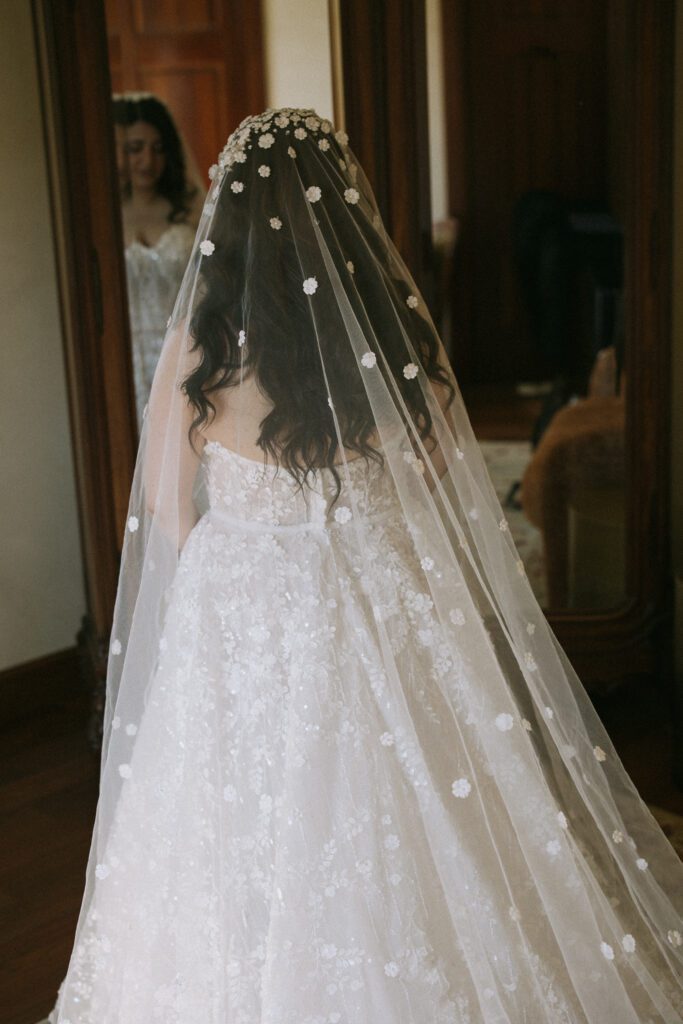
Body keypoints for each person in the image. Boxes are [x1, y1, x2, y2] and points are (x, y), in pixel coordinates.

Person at [47, 108, 682, 1023]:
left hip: (239, 623)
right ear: (347, 222)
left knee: (225, 831)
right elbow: (434, 497)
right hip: (373, 615)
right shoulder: (395, 357)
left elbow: (163, 509)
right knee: (416, 823)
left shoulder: (199, 352)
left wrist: (247, 564)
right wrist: (343, 533)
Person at [113, 92, 204, 425]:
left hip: (182, 351)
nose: (147, 161)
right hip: (124, 357)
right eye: (136, 148)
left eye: (158, 148)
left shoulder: (189, 212)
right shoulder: (104, 216)